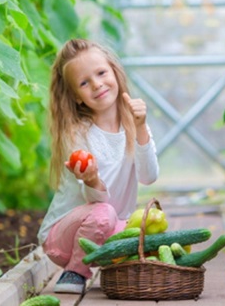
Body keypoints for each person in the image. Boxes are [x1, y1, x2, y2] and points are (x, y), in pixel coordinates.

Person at [37, 39, 159, 294]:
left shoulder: (133, 126)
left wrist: (140, 128)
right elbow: (94, 201)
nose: (96, 84)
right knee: (104, 212)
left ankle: (114, 271)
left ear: (114, 71)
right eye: (84, 82)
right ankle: (74, 272)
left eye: (101, 73)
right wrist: (92, 179)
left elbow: (149, 177)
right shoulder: (78, 134)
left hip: (108, 229)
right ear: (77, 98)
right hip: (64, 238)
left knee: (149, 234)